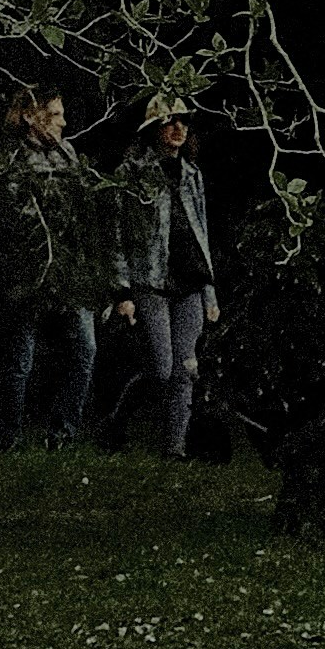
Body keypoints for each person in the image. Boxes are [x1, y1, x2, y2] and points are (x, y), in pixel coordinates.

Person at [0, 83, 95, 452]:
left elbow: (81, 211)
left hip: (70, 271)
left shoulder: (68, 154)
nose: (63, 122)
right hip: (29, 273)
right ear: (31, 117)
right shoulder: (11, 159)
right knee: (21, 360)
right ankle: (9, 440)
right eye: (56, 114)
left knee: (84, 350)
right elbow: (16, 218)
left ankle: (63, 434)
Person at [114, 96, 219, 464]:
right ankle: (117, 421)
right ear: (153, 129)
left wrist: (210, 292)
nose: (178, 128)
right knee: (160, 368)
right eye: (169, 121)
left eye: (183, 121)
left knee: (186, 368)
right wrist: (122, 290)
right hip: (151, 279)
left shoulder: (192, 175)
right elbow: (117, 232)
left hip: (189, 280)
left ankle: (175, 447)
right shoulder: (131, 173)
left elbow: (202, 232)